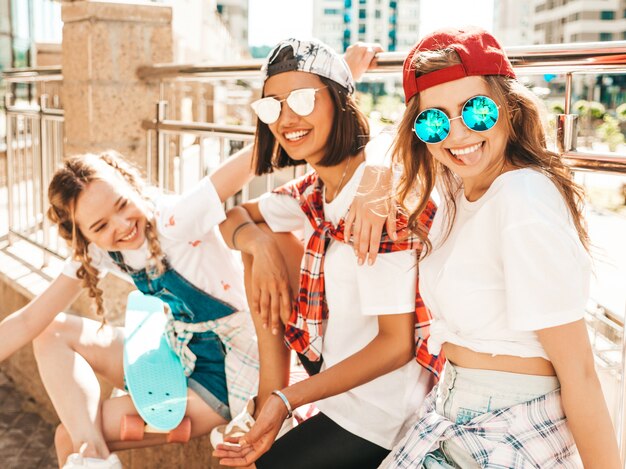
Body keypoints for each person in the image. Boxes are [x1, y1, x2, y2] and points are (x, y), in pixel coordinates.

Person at [376, 27, 620, 468]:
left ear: (510, 109)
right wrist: (368, 186)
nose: (457, 134)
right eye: (434, 120)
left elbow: (581, 371)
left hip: (512, 427)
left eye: (477, 111)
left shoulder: (522, 201)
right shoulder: (457, 187)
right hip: (450, 412)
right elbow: (389, 160)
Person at [212, 37, 442, 469]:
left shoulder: (375, 199)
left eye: (301, 99)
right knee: (266, 235)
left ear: (339, 101)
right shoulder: (317, 193)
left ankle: (273, 401)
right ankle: (268, 394)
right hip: (335, 381)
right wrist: (258, 246)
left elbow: (396, 347)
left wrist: (288, 399)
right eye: (271, 107)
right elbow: (234, 217)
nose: (286, 118)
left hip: (380, 413)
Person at [0, 146, 260, 468]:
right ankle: (96, 459)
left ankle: (93, 458)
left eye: (122, 205)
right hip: (177, 353)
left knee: (67, 438)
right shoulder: (99, 250)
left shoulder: (173, 219)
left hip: (224, 372)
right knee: (50, 331)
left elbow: (251, 161)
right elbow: (29, 321)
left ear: (128, 182)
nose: (122, 225)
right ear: (82, 236)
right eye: (100, 226)